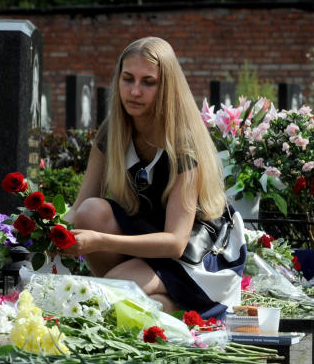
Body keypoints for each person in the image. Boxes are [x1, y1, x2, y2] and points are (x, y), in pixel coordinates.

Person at [64, 37, 246, 319]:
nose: (135, 91)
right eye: (128, 79)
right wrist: (43, 234)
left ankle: (181, 305)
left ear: (166, 87)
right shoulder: (112, 132)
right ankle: (152, 297)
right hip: (146, 236)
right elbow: (78, 209)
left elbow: (175, 242)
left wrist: (100, 241)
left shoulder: (184, 144)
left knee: (109, 291)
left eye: (148, 82)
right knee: (91, 211)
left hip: (195, 252)